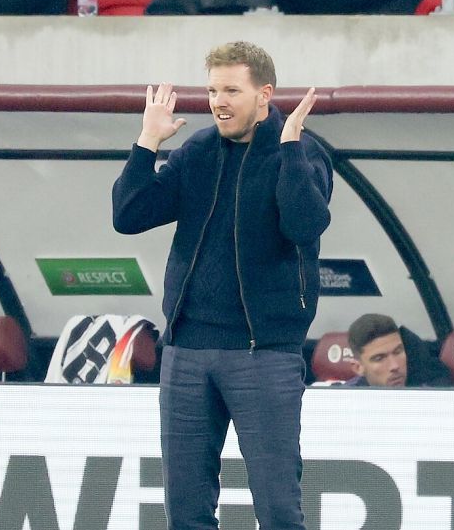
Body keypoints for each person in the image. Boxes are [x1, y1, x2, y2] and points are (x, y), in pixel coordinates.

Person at [112, 41, 332, 530]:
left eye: (232, 89)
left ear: (264, 94)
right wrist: (147, 143)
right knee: (186, 513)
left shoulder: (303, 151)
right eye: (213, 89)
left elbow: (305, 225)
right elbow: (128, 216)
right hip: (187, 352)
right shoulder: (198, 151)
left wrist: (290, 150)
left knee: (278, 510)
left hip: (264, 354)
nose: (218, 101)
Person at [343, 313, 451, 387]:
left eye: (398, 352)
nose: (394, 366)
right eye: (379, 358)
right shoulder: (340, 403)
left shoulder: (434, 398)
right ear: (358, 368)